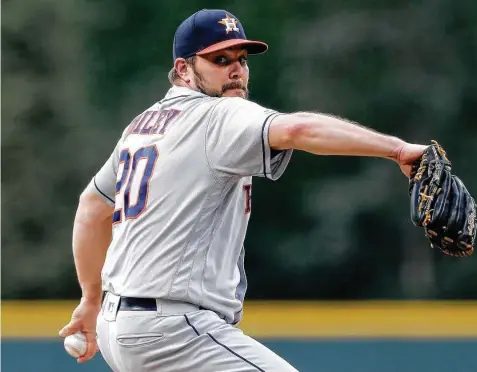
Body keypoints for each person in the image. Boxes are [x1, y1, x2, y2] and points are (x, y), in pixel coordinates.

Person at [59, 8, 427, 372]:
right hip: (173, 332)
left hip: (119, 327)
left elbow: (92, 207)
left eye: (241, 59)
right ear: (183, 69)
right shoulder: (217, 114)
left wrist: (91, 299)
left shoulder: (141, 126)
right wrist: (397, 150)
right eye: (219, 59)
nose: (236, 69)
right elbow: (297, 130)